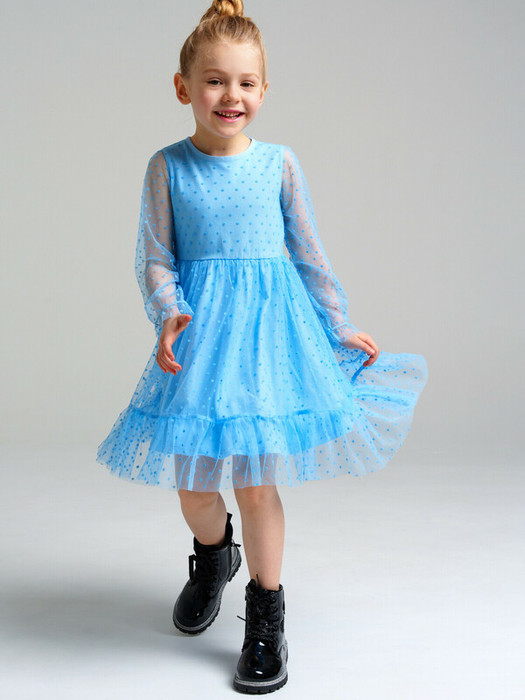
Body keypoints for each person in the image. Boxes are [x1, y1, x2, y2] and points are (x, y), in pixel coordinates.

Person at [96, 0, 428, 693]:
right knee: (194, 489)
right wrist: (169, 311)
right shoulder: (167, 167)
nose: (231, 96)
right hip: (202, 341)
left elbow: (308, 252)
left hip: (268, 341)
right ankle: (215, 555)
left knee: (255, 482)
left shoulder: (279, 164)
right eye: (215, 81)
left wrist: (336, 322)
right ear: (183, 87)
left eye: (246, 83)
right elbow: (156, 255)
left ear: (265, 90)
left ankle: (266, 615)